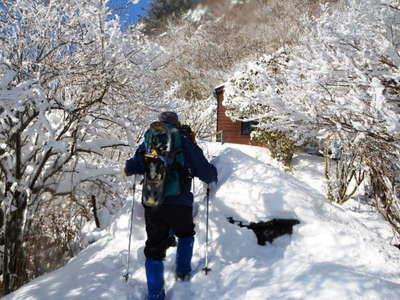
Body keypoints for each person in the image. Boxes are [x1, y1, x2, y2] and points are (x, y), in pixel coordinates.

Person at [123, 111, 218, 300]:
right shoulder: (183, 141)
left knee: (154, 248)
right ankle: (182, 272)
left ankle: (155, 295)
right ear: (177, 124)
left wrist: (132, 166)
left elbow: (132, 166)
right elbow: (205, 172)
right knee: (185, 233)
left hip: (152, 200)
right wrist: (213, 173)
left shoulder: (149, 141)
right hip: (178, 201)